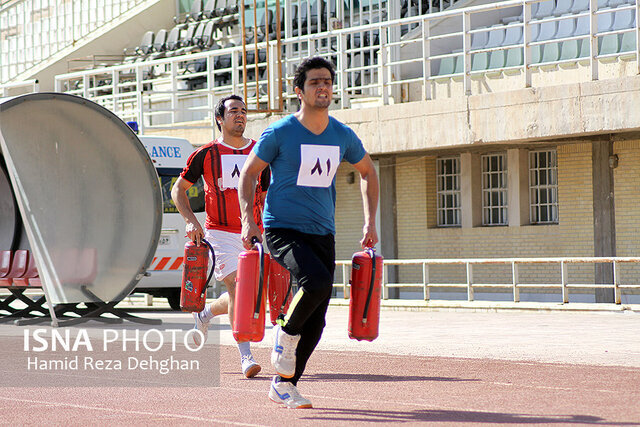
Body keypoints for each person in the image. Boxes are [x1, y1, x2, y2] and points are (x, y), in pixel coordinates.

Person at [238, 56, 379, 408]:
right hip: (282, 228)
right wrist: (247, 219)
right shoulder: (281, 132)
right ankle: (284, 331)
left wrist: (370, 221)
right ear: (298, 91)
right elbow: (248, 174)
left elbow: (368, 172)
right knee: (315, 284)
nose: (323, 87)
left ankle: (284, 383)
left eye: (328, 81)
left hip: (322, 232)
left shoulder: (342, 134)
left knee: (317, 317)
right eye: (315, 82)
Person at [171, 94, 269, 379]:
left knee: (251, 295)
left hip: (255, 232)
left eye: (244, 110)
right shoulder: (206, 154)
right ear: (220, 119)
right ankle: (246, 356)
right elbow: (178, 190)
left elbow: (270, 191)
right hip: (220, 232)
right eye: (233, 111)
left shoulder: (260, 153)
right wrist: (191, 220)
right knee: (238, 286)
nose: (240, 115)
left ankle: (205, 315)